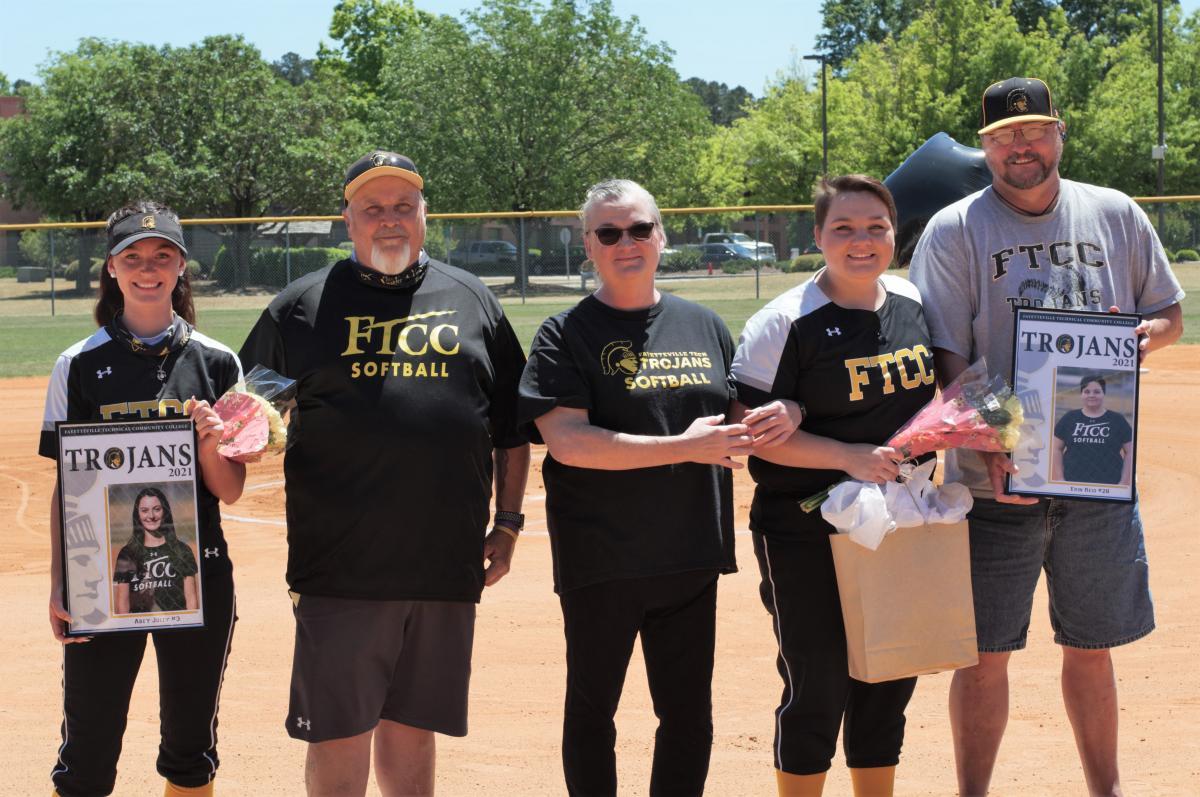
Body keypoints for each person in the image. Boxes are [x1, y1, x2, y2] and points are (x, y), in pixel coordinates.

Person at [908, 76, 1185, 796]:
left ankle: (1107, 789)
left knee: (1091, 648)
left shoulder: (1115, 214)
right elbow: (947, 356)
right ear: (985, 148)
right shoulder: (956, 229)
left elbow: (1167, 315)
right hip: (991, 481)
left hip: (1094, 469)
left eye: (1032, 130)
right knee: (984, 654)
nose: (1018, 146)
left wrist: (1127, 342)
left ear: (1059, 132)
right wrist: (1002, 442)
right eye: (1001, 136)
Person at [238, 151, 530, 797]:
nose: (389, 220)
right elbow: (249, 418)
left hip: (443, 565)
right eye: (373, 208)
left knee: (412, 732)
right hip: (342, 567)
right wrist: (237, 431)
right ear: (348, 219)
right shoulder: (300, 309)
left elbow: (511, 427)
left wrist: (507, 523)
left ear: (426, 215)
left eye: (404, 206)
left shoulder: (473, 299)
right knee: (338, 737)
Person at [519, 178, 784, 796]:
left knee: (688, 717)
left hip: (691, 555)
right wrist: (687, 448)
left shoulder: (705, 324)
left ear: (661, 235)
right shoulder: (565, 334)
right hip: (602, 559)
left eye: (639, 228)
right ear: (588, 245)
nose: (626, 243)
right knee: (592, 714)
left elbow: (740, 413)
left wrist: (781, 416)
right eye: (608, 232)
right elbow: (568, 442)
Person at [729, 174, 936, 797]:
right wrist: (847, 455)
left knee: (889, 675)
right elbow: (751, 431)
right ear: (817, 236)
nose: (861, 241)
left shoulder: (911, 301)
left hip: (899, 518)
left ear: (894, 236)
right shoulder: (782, 323)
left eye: (876, 228)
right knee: (816, 680)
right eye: (843, 228)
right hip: (803, 527)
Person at [40, 201, 246, 797]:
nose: (148, 268)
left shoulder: (216, 361)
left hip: (196, 574)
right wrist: (61, 583)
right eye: (132, 257)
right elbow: (67, 488)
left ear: (183, 267)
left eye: (163, 256)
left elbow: (229, 489)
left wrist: (210, 442)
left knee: (189, 750)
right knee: (86, 754)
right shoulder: (76, 364)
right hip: (104, 576)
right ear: (111, 267)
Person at [113, 486, 200, 614]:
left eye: (157, 509)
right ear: (137, 514)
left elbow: (191, 599)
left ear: (165, 511)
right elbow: (123, 604)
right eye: (144, 510)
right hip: (138, 623)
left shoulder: (182, 550)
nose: (151, 516)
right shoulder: (128, 553)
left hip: (175, 622)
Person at [1051, 375, 1134, 486]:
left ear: (1103, 393)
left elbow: (1130, 452)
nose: (1091, 395)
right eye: (1087, 391)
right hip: (1073, 485)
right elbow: (1056, 449)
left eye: (1097, 392)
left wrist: (1124, 482)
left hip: (1109, 486)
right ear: (1081, 394)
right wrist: (1060, 479)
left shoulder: (1117, 420)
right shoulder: (1069, 418)